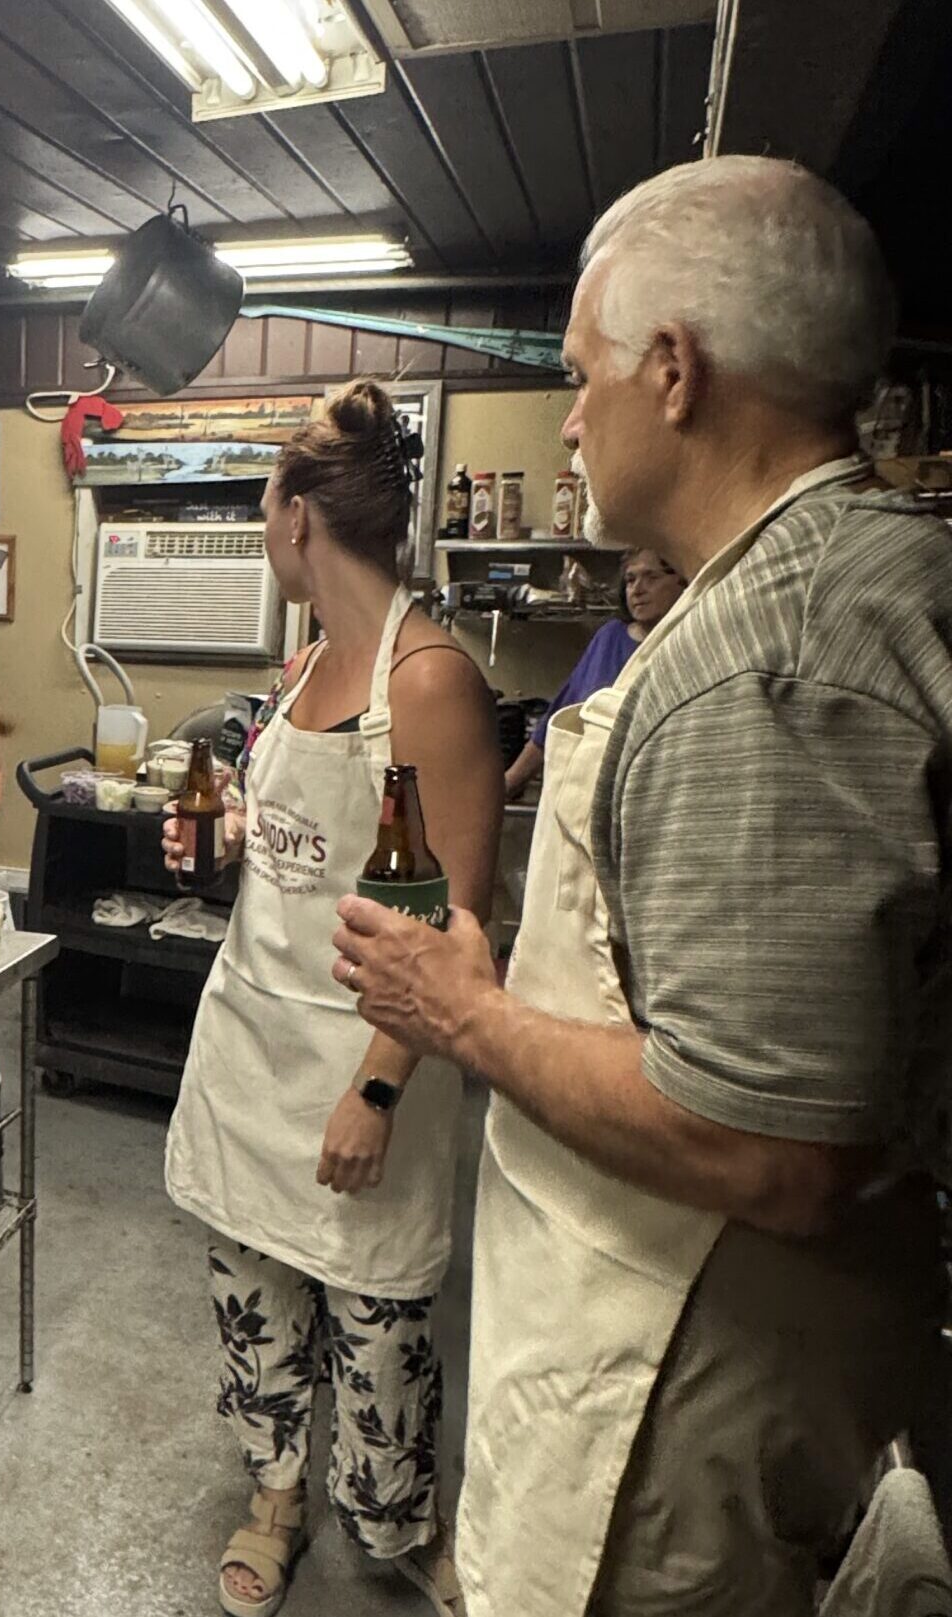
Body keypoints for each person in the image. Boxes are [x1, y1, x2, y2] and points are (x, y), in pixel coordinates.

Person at [332, 156, 952, 1617]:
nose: (568, 412)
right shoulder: (822, 581)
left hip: (683, 1358)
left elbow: (767, 1148)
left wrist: (461, 1010)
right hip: (697, 1326)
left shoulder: (768, 662)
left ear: (673, 371)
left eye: (578, 371)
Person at [162, 382, 503, 1617]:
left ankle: (395, 1519)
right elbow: (320, 847)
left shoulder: (429, 681)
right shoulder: (305, 661)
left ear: (299, 520)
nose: (263, 528)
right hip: (252, 1052)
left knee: (377, 1327)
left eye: (263, 506)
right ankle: (277, 1494)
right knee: (254, 1297)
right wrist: (230, 838)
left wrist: (374, 1091)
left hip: (365, 1067)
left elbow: (460, 923)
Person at [502, 549, 684, 799]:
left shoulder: (687, 645)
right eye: (631, 580)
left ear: (682, 583)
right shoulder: (610, 638)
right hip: (590, 790)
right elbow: (559, 721)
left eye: (651, 578)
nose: (638, 589)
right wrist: (510, 782)